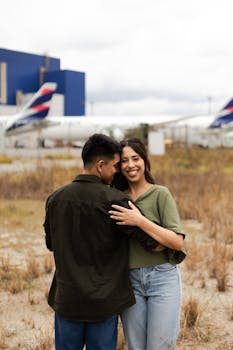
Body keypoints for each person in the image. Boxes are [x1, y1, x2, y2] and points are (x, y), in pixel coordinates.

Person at [43, 134, 158, 350]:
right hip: (104, 303)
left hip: (67, 300)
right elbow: (150, 242)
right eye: (115, 166)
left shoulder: (55, 198)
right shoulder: (117, 201)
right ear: (100, 165)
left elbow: (51, 244)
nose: (118, 171)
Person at [109, 138, 186, 350]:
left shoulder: (160, 193)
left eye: (135, 158)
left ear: (144, 161)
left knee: (159, 346)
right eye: (124, 161)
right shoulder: (117, 199)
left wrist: (140, 221)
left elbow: (176, 242)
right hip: (130, 280)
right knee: (136, 347)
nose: (130, 165)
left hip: (162, 277)